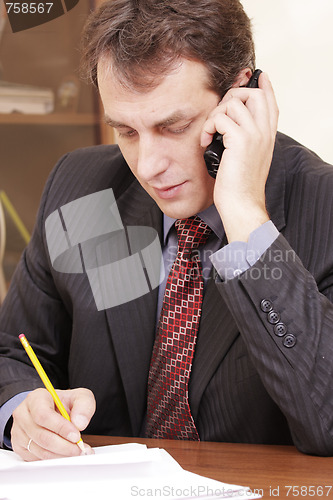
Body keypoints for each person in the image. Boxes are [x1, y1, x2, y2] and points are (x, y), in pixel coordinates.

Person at [1, 0, 333, 461]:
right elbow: (13, 353)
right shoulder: (85, 189)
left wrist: (244, 217)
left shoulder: (324, 206)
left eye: (173, 126)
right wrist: (22, 409)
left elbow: (328, 422)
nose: (148, 166)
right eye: (127, 132)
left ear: (242, 96)